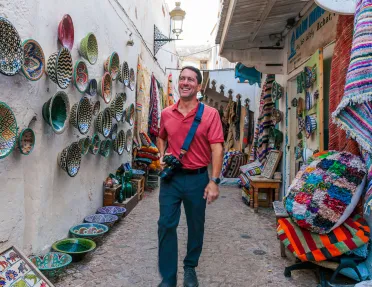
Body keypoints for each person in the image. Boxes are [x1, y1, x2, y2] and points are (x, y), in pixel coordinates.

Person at [156, 66, 224, 287]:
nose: (185, 82)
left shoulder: (210, 114)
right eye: (182, 78)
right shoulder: (167, 113)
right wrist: (161, 155)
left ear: (199, 86)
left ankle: (190, 267)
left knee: (196, 226)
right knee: (166, 225)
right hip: (171, 179)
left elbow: (217, 149)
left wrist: (214, 181)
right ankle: (168, 279)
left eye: (191, 79)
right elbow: (161, 137)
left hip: (197, 179)